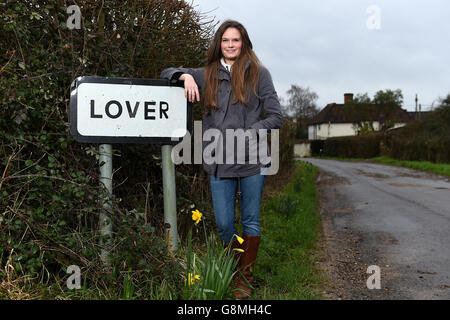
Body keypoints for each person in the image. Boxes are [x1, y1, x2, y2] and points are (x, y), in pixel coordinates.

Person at [160, 19, 283, 299]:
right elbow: (166, 72)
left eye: (235, 40)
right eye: (226, 41)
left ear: (244, 43)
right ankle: (237, 265)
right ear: (219, 44)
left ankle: (243, 278)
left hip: (253, 160)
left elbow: (276, 117)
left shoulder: (259, 74)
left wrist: (253, 131)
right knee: (225, 223)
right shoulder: (208, 74)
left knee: (250, 220)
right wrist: (185, 76)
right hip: (219, 161)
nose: (230, 45)